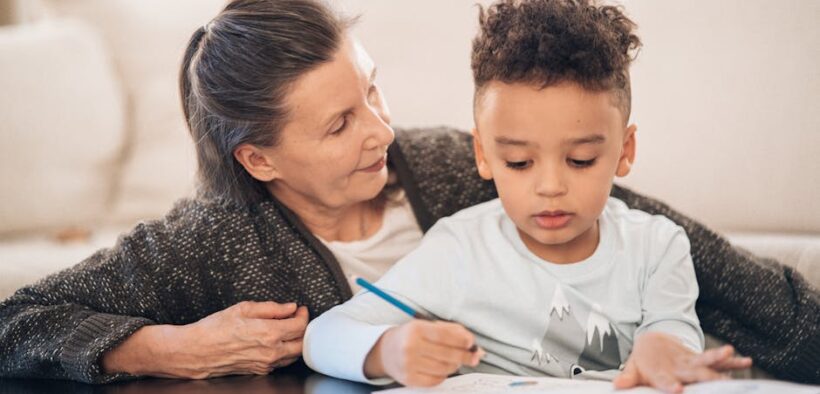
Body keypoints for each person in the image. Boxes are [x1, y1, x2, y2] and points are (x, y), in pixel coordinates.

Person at [0, 0, 816, 386]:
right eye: (337, 126)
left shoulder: (452, 165)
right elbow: (19, 323)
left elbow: (668, 236)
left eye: (374, 94)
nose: (380, 132)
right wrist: (164, 348)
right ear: (260, 161)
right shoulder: (210, 240)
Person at [302, 1, 752, 392]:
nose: (550, 186)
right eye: (519, 163)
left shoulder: (657, 247)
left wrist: (663, 350)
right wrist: (389, 349)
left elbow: (671, 327)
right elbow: (323, 336)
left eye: (580, 160)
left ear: (624, 151)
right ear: (483, 155)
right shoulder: (458, 250)